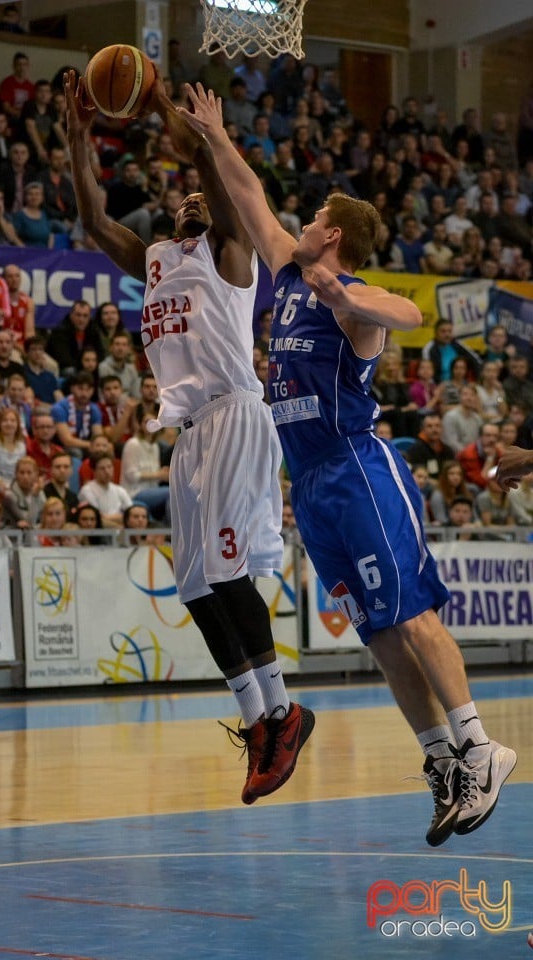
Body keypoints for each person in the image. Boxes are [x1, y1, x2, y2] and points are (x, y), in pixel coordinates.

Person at [182, 81, 517, 843]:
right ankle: (442, 763)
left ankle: (479, 745)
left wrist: (356, 301)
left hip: (360, 468)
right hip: (313, 485)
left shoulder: (348, 297)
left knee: (414, 615)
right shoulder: (291, 273)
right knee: (379, 634)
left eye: (313, 218)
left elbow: (412, 315)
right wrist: (214, 137)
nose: (297, 224)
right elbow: (252, 197)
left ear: (333, 235)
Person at [66, 68, 313, 806]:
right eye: (188, 199)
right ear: (173, 214)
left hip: (236, 412)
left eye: (206, 195)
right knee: (197, 584)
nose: (197, 199)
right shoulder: (156, 259)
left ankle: (284, 710)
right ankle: (257, 722)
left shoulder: (229, 252)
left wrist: (174, 112)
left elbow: (210, 172)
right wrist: (81, 141)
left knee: (229, 575)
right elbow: (91, 220)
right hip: (191, 432)